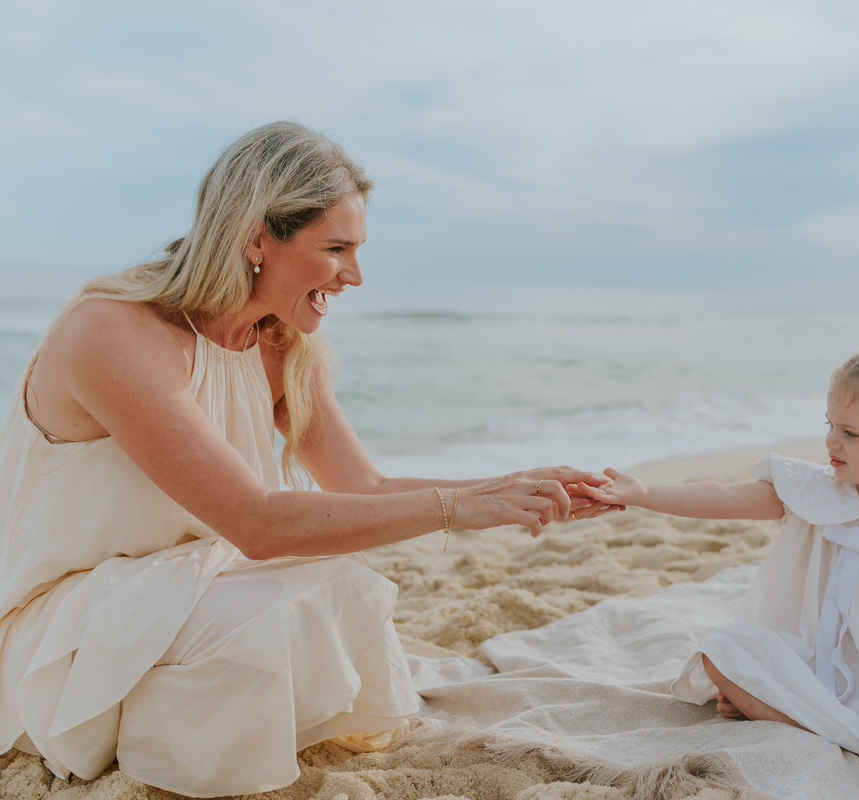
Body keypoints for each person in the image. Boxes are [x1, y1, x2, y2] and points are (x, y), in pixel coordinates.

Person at [0, 121, 610, 797]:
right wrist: (460, 508)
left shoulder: (280, 343)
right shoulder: (114, 331)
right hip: (70, 614)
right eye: (335, 248)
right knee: (261, 624)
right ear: (258, 236)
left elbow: (363, 486)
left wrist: (507, 487)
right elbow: (258, 525)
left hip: (188, 583)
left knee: (344, 581)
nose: (353, 275)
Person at [577, 342, 859, 795]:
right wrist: (645, 493)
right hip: (803, 668)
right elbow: (726, 497)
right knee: (722, 649)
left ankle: (808, 725)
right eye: (830, 425)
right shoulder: (815, 490)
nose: (831, 441)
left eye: (851, 433)